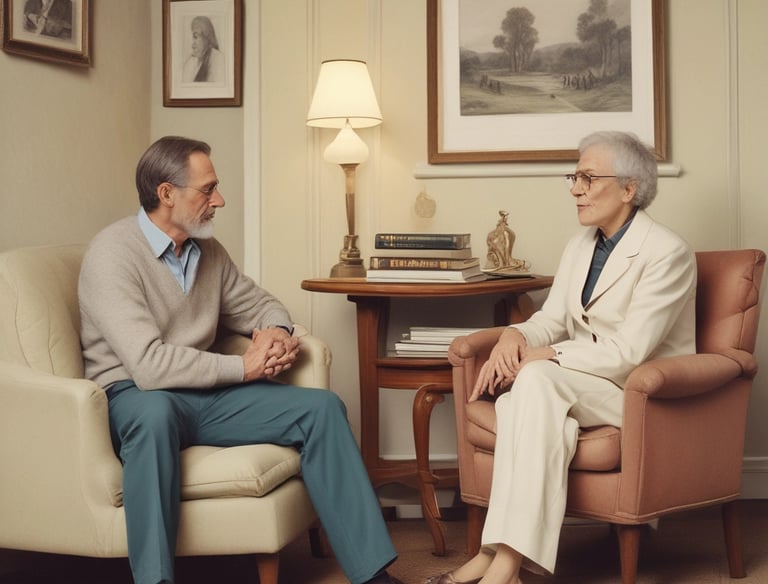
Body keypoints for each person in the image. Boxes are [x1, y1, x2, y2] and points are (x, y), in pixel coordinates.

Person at [78, 136, 402, 584]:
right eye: (207, 190)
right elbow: (149, 366)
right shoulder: (111, 255)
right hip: (137, 395)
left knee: (322, 409)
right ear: (166, 193)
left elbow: (262, 304)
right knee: (153, 418)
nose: (220, 200)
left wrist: (276, 334)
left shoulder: (206, 250)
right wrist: (244, 367)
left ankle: (373, 576)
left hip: (205, 393)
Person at [426, 131, 697, 584]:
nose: (575, 188)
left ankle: (500, 563)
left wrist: (545, 355)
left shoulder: (668, 252)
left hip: (636, 391)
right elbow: (552, 318)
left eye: (588, 178)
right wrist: (515, 335)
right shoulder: (581, 245)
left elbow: (629, 352)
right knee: (522, 399)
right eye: (575, 176)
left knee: (530, 385)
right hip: (580, 384)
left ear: (629, 189)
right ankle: (502, 561)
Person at [181, 15, 225, 83]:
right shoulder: (190, 62)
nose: (192, 43)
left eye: (195, 37)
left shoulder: (217, 58)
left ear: (206, 37)